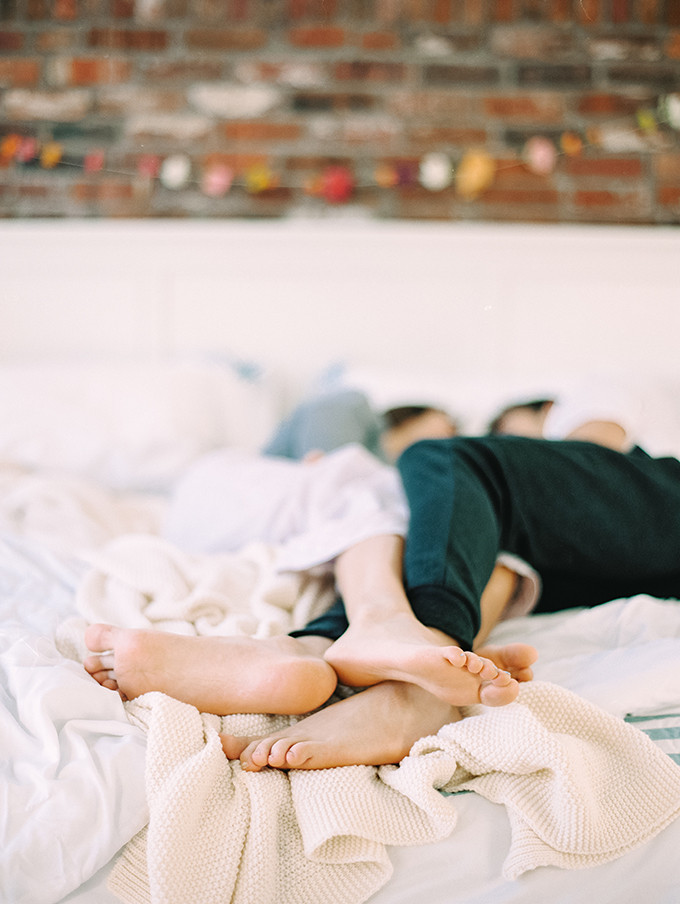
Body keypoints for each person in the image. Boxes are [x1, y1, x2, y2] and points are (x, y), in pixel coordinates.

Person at [262, 387, 459, 462]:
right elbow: (322, 469)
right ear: (415, 415)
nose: (455, 435)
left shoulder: (396, 471)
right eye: (449, 424)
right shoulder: (355, 406)